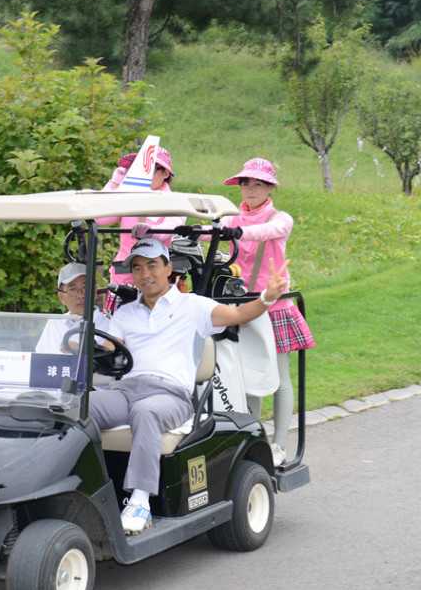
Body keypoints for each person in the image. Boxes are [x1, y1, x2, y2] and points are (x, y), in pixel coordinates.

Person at [91, 237, 289, 535]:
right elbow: (107, 347)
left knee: (146, 413)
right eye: (138, 268)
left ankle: (140, 500)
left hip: (170, 394)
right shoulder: (125, 313)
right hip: (127, 389)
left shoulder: (193, 306)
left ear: (169, 268)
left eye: (152, 266)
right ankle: (84, 489)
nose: (145, 274)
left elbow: (237, 315)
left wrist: (267, 298)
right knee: (80, 408)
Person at [220, 157, 316, 466]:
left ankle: (278, 444)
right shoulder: (232, 218)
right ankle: (253, 440)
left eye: (257, 184)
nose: (250, 189)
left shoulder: (280, 218)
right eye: (246, 183)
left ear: (269, 187)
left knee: (279, 377)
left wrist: (236, 233)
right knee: (249, 377)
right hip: (245, 306)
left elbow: (268, 231)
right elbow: (214, 231)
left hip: (274, 308)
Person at [95, 149, 185, 287]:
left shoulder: (173, 201)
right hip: (124, 271)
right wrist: (115, 182)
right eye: (138, 169)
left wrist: (151, 232)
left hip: (155, 274)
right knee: (120, 308)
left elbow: (169, 229)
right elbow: (100, 219)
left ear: (165, 173)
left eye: (150, 170)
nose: (144, 175)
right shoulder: (129, 197)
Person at [35, 263, 112, 354]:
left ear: (94, 292)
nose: (80, 294)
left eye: (85, 287)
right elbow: (41, 360)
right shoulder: (54, 323)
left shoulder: (110, 325)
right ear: (61, 297)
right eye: (73, 289)